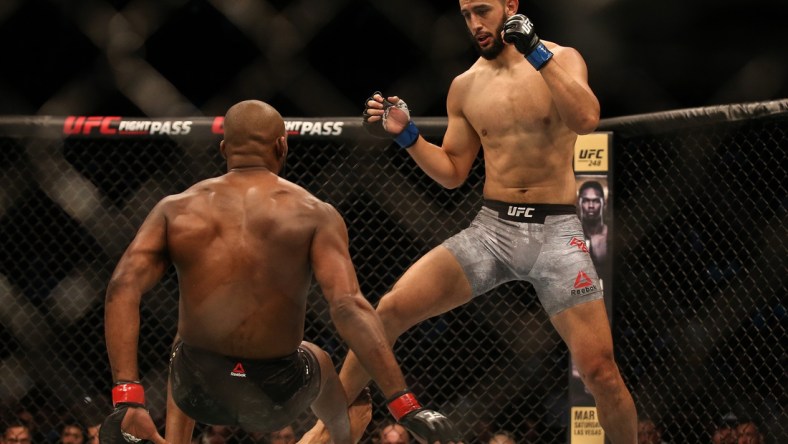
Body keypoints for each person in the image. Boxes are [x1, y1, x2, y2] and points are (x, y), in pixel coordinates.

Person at [304, 0, 638, 443]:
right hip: (493, 230)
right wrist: (409, 137)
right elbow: (452, 171)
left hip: (556, 231)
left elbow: (586, 118)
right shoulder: (464, 86)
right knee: (389, 309)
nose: (475, 24)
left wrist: (537, 52)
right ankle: (321, 434)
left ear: (510, 6)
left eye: (483, 10)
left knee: (601, 373)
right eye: (465, 14)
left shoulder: (562, 57)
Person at [98, 100, 460, 444]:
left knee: (185, 343)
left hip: (198, 388)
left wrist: (128, 398)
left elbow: (122, 287)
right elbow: (348, 306)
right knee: (316, 355)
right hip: (276, 393)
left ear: (224, 149)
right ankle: (339, 435)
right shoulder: (313, 212)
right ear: (281, 146)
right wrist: (404, 403)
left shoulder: (174, 209)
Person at [577, 180, 608, 271]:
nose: (591, 206)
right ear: (579, 204)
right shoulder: (570, 234)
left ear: (604, 204)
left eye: (596, 201)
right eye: (586, 201)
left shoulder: (611, 234)